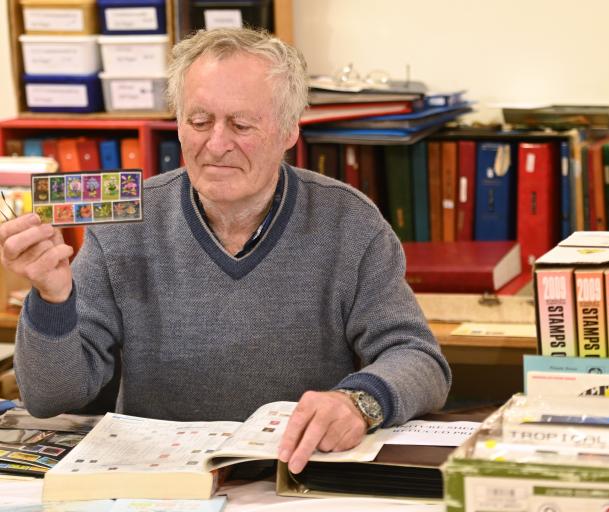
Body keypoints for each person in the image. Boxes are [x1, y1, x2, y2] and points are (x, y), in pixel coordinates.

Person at [0, 28, 451, 474]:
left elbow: (419, 358)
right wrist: (53, 297)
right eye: (199, 122)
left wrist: (359, 402)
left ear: (290, 130)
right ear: (178, 125)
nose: (216, 145)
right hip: (161, 486)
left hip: (294, 477)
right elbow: (49, 398)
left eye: (241, 124)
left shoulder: (348, 222)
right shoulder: (124, 221)